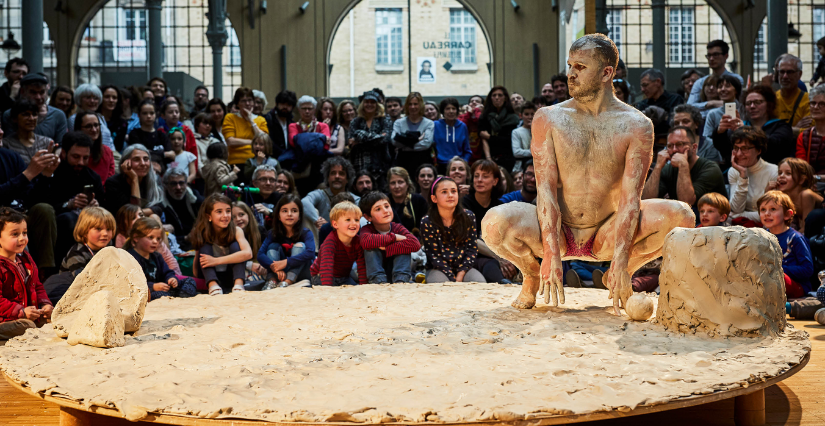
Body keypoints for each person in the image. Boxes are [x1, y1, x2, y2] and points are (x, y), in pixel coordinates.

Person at [484, 34, 695, 310]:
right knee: (493, 222)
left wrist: (621, 262)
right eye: (570, 66)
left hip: (607, 231)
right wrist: (549, 252)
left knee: (683, 217)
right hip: (556, 231)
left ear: (607, 72)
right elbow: (545, 189)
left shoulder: (637, 125)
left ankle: (621, 273)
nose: (570, 74)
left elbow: (631, 198)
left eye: (580, 67)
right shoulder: (548, 118)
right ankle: (531, 274)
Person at [28, 132, 106, 262]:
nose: (81, 162)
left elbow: (105, 206)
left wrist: (96, 207)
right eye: (76, 157)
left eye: (85, 158)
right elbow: (37, 204)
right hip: (57, 226)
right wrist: (68, 205)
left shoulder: (93, 177)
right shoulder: (52, 172)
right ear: (64, 153)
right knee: (69, 219)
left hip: (87, 223)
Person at [643, 126, 726, 213]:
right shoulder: (667, 169)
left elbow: (687, 203)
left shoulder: (711, 169)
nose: (674, 150)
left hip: (710, 221)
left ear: (694, 147)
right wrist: (658, 167)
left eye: (680, 144)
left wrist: (683, 165)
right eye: (670, 146)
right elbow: (646, 201)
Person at [41, 206, 115, 304]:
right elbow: (83, 280)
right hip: (68, 288)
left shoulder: (109, 250)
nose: (105, 233)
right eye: (98, 229)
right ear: (84, 231)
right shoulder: (76, 253)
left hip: (93, 289)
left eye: (109, 229)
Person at [0, 207, 53, 340]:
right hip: (6, 319)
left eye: (24, 233)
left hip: (26, 315)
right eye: (15, 234)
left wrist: (45, 305)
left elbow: (37, 286)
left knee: (52, 320)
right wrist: (21, 311)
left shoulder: (25, 260)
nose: (22, 238)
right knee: (27, 327)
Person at [421, 177, 484, 283]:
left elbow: (472, 250)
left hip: (464, 268)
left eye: (453, 191)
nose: (450, 195)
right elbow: (434, 256)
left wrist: (461, 273)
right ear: (434, 198)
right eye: (444, 192)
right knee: (442, 288)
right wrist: (452, 278)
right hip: (438, 268)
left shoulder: (468, 216)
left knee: (480, 284)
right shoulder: (427, 221)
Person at [189, 193, 253, 294]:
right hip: (209, 276)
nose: (225, 215)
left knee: (235, 246)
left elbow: (248, 254)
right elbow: (196, 266)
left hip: (229, 276)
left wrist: (216, 261)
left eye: (228, 211)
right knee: (205, 246)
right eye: (219, 212)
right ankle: (213, 285)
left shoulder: (236, 230)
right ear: (209, 216)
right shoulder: (201, 232)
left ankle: (238, 284)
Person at [463, 160, 515, 284]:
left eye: (485, 176)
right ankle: (504, 285)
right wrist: (499, 258)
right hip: (469, 255)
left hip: (494, 254)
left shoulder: (500, 206)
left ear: (495, 181)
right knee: (491, 263)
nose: (479, 180)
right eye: (476, 176)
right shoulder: (464, 204)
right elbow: (471, 240)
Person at [717, 84, 794, 165]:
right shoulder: (741, 125)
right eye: (748, 103)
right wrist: (720, 132)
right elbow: (726, 151)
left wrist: (747, 132)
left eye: (757, 102)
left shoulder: (781, 126)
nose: (752, 106)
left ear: (769, 104)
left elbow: (775, 149)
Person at [124, 217, 197, 300]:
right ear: (136, 238)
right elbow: (131, 284)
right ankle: (178, 299)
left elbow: (167, 272)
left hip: (164, 289)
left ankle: (181, 298)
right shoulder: (129, 258)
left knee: (189, 281)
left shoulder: (156, 256)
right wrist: (153, 286)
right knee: (160, 295)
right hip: (148, 293)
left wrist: (171, 279)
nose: (155, 241)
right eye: (150, 237)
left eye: (158, 239)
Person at [757, 191, 813, 298]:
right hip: (770, 282)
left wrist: (779, 269)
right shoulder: (762, 237)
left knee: (776, 276)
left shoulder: (795, 238)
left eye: (773, 209)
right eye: (763, 209)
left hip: (796, 285)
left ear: (787, 214)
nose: (767, 213)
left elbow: (807, 269)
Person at [359, 191, 420, 284]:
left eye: (387, 206)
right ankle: (379, 282)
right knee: (370, 245)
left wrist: (388, 248)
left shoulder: (398, 227)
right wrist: (394, 237)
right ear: (368, 217)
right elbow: (365, 241)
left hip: (396, 274)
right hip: (376, 275)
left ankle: (401, 281)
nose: (385, 211)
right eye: (378, 209)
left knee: (404, 247)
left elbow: (415, 244)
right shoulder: (367, 229)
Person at [258, 194, 315, 289]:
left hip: (300, 274)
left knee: (300, 246)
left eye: (294, 211)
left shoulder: (306, 233)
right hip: (279, 274)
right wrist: (275, 267)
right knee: (273, 246)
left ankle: (288, 282)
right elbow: (260, 255)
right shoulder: (272, 233)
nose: (289, 214)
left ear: (300, 215)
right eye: (285, 211)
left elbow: (310, 253)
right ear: (278, 216)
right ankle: (272, 281)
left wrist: (286, 262)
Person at [726, 127, 778, 227]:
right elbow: (736, 208)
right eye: (736, 148)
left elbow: (771, 213)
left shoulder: (773, 171)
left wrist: (740, 215)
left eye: (745, 148)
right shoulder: (734, 171)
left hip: (766, 225)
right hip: (741, 224)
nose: (739, 154)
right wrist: (743, 176)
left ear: (759, 150)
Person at [309, 201, 368, 286]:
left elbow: (361, 267)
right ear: (335, 224)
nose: (354, 223)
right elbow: (326, 268)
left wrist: (363, 286)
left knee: (355, 289)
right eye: (348, 220)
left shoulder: (358, 242)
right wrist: (328, 289)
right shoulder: (330, 242)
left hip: (343, 277)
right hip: (321, 275)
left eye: (356, 220)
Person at [2, 73, 66, 146]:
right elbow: (10, 144)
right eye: (33, 92)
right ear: (23, 92)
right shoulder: (9, 114)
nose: (38, 97)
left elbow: (60, 146)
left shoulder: (58, 115)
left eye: (42, 92)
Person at [104, 144, 164, 217]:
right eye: (136, 159)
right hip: (123, 225)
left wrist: (141, 212)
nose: (143, 163)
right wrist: (134, 179)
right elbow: (131, 215)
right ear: (125, 163)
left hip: (145, 222)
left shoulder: (155, 179)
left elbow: (159, 208)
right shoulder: (113, 183)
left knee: (154, 217)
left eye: (146, 159)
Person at [303, 157, 360, 234]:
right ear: (327, 178)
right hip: (323, 238)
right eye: (333, 173)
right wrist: (317, 220)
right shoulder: (320, 194)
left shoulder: (355, 199)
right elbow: (304, 203)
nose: (337, 176)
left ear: (347, 179)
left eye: (341, 173)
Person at [687, 40, 744, 115]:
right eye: (709, 55)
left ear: (726, 56)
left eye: (715, 55)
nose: (711, 59)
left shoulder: (736, 79)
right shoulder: (700, 82)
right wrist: (711, 103)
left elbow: (739, 105)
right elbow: (689, 106)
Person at [349, 91, 392, 188]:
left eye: (372, 102)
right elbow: (351, 142)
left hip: (380, 166)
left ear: (377, 104)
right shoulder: (355, 121)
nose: (369, 104)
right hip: (359, 165)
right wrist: (377, 137)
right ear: (362, 104)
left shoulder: (385, 119)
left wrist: (360, 136)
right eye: (366, 102)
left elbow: (385, 139)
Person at [223, 87, 270, 166]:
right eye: (243, 101)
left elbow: (264, 141)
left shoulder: (261, 120)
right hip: (236, 161)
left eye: (250, 100)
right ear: (237, 104)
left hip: (256, 160)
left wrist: (251, 121)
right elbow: (230, 141)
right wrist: (253, 142)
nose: (247, 103)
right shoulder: (230, 118)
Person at [774, 157, 822, 233]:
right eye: (780, 173)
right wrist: (768, 191)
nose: (781, 176)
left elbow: (805, 228)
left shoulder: (806, 195)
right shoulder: (785, 195)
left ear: (801, 180)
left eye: (788, 173)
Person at [392, 92, 435, 175]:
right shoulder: (399, 123)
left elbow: (426, 144)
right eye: (410, 104)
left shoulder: (428, 123)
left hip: (422, 162)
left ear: (421, 105)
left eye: (415, 104)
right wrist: (417, 139)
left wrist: (404, 142)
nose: (412, 107)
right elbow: (394, 141)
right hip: (403, 162)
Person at [160, 168, 203, 247]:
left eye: (181, 183)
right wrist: (184, 238)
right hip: (173, 245)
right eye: (173, 184)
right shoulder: (160, 204)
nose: (178, 187)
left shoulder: (195, 198)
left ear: (186, 184)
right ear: (165, 185)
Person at [479, 86, 518, 171]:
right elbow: (483, 138)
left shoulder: (512, 118)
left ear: (505, 98)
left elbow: (508, 140)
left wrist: (490, 137)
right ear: (490, 98)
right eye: (494, 95)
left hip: (507, 156)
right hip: (489, 156)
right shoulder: (484, 117)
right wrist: (488, 159)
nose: (497, 98)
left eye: (500, 95)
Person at [3, 99, 54, 165]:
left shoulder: (47, 142)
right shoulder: (6, 144)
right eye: (25, 114)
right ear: (15, 118)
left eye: (34, 114)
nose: (31, 118)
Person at [635, 68, 684, 135]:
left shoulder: (675, 99)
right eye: (642, 86)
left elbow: (678, 124)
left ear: (658, 82)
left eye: (645, 85)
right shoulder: (642, 104)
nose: (642, 89)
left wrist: (665, 117)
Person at [68, 84, 115, 152]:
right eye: (88, 97)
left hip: (109, 155)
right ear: (79, 99)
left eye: (95, 98)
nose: (92, 101)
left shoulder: (100, 117)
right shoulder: (73, 119)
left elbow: (110, 142)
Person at [774, 55, 812, 135]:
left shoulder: (810, 101)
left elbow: (809, 133)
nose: (785, 76)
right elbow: (766, 131)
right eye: (781, 72)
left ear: (799, 74)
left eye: (790, 72)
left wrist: (780, 130)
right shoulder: (771, 99)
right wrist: (794, 128)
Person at [73, 111, 115, 183]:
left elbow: (110, 182)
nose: (94, 130)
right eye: (88, 126)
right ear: (79, 128)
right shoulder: (72, 152)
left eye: (96, 125)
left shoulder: (107, 151)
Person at [433, 97, 471, 175]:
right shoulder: (435, 125)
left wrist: (463, 163)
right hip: (439, 166)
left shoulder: (462, 126)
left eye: (453, 109)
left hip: (457, 167)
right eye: (447, 109)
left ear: (457, 111)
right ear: (443, 111)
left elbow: (467, 150)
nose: (451, 111)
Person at [386, 167, 428, 235]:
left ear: (407, 184)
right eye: (393, 183)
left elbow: (424, 227)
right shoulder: (384, 200)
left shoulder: (418, 200)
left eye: (400, 182)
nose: (397, 186)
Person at [232, 200, 267, 281]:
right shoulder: (230, 235)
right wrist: (249, 265)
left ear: (249, 215)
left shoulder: (260, 230)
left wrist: (264, 264)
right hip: (241, 268)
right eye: (233, 217)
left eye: (241, 215)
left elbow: (266, 252)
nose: (238, 219)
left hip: (260, 267)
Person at [128, 99, 170, 164]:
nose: (148, 116)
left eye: (152, 113)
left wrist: (150, 152)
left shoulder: (162, 135)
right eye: (145, 113)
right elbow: (139, 155)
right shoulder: (134, 134)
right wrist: (163, 154)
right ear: (139, 115)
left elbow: (171, 155)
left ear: (156, 115)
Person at [703, 74, 743, 141]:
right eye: (720, 87)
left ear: (736, 90)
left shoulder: (745, 110)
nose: (723, 89)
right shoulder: (713, 114)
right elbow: (706, 138)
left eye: (727, 86)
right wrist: (719, 131)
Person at [797, 85, 825, 179]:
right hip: (810, 185)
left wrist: (816, 178)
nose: (816, 107)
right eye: (813, 103)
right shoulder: (804, 136)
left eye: (822, 104)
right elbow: (801, 170)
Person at [264, 90, 297, 158]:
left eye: (288, 105)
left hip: (289, 158)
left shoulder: (292, 121)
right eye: (282, 104)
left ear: (292, 107)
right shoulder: (268, 119)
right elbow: (269, 141)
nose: (285, 107)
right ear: (276, 104)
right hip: (273, 159)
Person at [98, 85, 128, 152]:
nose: (111, 100)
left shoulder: (122, 123)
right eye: (107, 97)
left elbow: (119, 148)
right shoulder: (94, 119)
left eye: (114, 98)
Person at [459, 94, 485, 163]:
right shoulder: (462, 117)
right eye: (471, 101)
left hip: (481, 156)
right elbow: (462, 128)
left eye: (477, 101)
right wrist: (469, 114)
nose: (473, 102)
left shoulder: (485, 117)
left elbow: (480, 122)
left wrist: (477, 111)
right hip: (464, 156)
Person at [511, 101, 535, 173]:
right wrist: (534, 152)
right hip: (521, 167)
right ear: (521, 116)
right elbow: (517, 152)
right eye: (526, 114)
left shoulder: (539, 130)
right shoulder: (516, 132)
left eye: (532, 114)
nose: (530, 117)